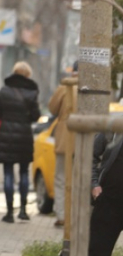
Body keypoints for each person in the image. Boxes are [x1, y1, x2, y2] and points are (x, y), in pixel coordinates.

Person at [0, 61, 40, 223]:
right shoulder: (32, 92)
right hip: (24, 135)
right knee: (24, 172)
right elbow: (36, 116)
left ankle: (9, 213)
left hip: (6, 134)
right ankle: (23, 211)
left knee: (7, 173)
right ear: (28, 75)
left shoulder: (4, 91)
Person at [87, 132, 123, 256]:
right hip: (108, 201)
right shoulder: (113, 129)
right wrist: (94, 184)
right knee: (97, 255)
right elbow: (89, 157)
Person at [48, 62, 78, 227]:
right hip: (85, 142)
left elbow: (52, 108)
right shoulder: (91, 87)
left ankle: (61, 215)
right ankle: (77, 215)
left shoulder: (65, 87)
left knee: (61, 178)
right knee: (80, 179)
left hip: (65, 140)